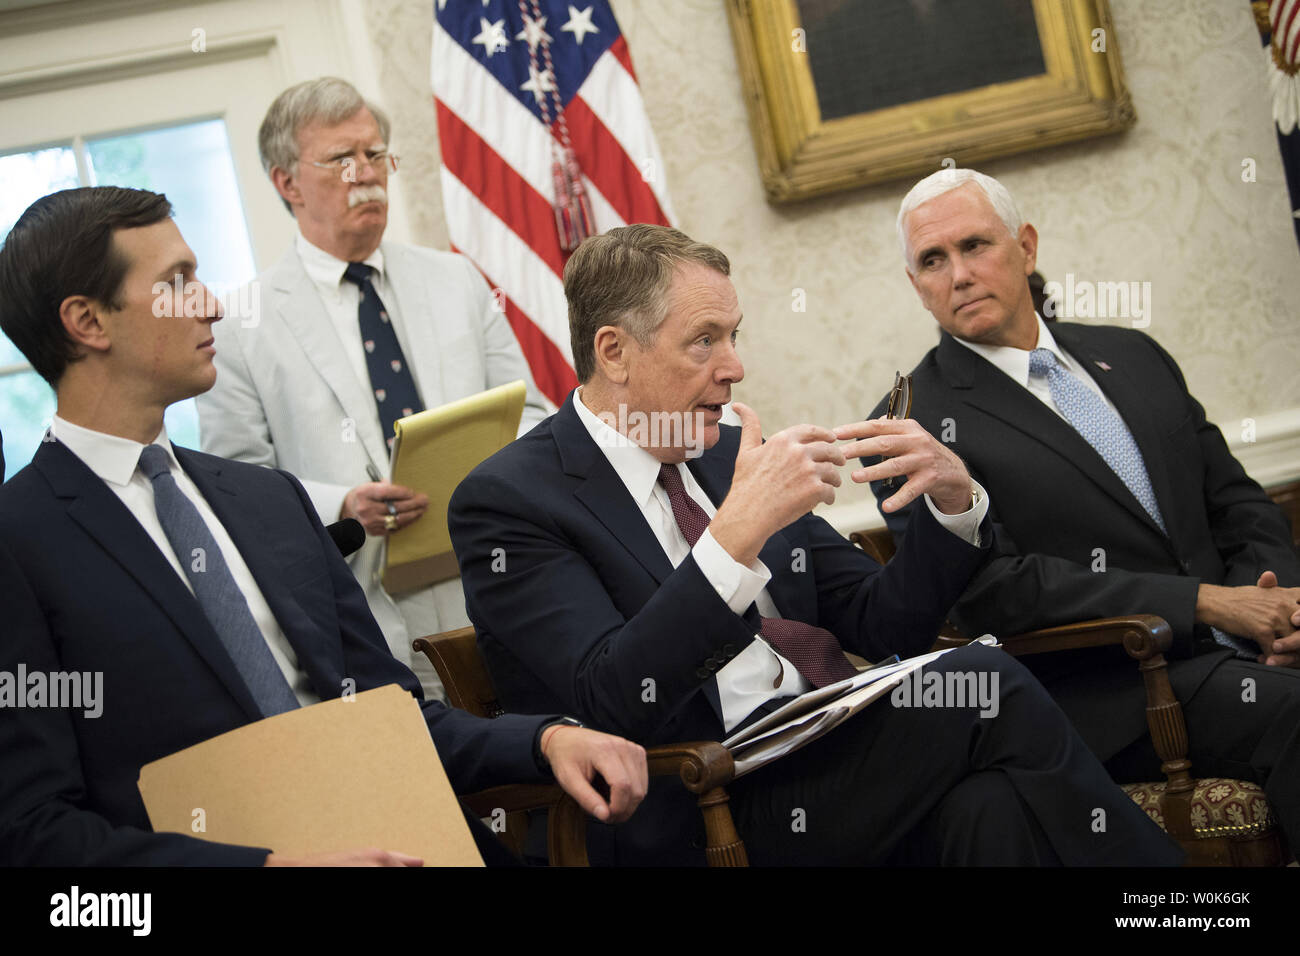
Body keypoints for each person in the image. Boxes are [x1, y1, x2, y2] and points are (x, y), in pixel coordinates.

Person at [447, 223, 1183, 866]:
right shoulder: (511, 502)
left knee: (985, 806)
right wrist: (734, 537)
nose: (733, 366)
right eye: (704, 341)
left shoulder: (722, 448)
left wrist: (953, 504)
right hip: (698, 804)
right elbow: (609, 700)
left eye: (734, 336)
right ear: (614, 352)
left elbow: (880, 621)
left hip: (827, 756)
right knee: (988, 686)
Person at [0, 186, 645, 866]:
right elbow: (35, 832)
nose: (213, 304)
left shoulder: (266, 499)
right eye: (177, 283)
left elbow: (386, 718)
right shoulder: (19, 542)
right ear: (86, 321)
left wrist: (544, 740)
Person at [868, 167, 1300, 849]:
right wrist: (1206, 604)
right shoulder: (912, 429)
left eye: (975, 245)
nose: (958, 273)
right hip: (1116, 696)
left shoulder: (1132, 355)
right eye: (932, 260)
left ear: (1026, 247)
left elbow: (1237, 501)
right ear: (916, 285)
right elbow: (995, 593)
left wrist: (1278, 605)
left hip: (1249, 651)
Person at [196, 77, 548, 695]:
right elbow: (236, 487)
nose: (367, 173)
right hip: (363, 607)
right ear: (286, 183)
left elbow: (535, 415)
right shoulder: (239, 326)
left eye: (376, 153)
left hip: (503, 579)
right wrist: (341, 504)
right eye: (341, 159)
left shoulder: (456, 280)